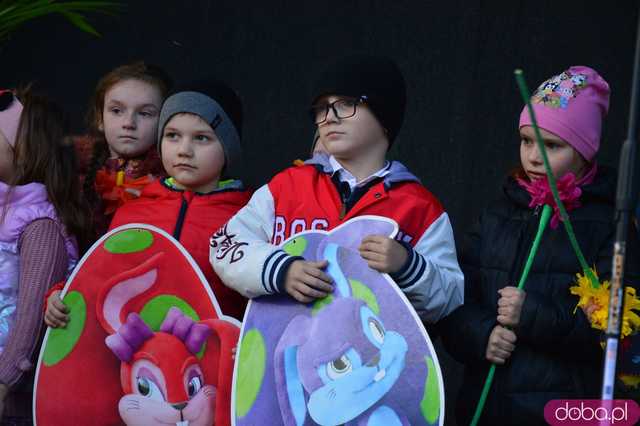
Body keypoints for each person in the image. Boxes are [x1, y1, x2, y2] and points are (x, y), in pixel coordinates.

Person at [438, 66, 640, 425]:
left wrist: (531, 314)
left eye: (552, 146)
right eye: (527, 140)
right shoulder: (499, 213)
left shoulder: (610, 224)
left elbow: (616, 335)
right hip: (484, 412)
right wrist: (482, 335)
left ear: (585, 149)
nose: (533, 157)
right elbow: (453, 301)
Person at [211, 55, 463, 324]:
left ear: (384, 115)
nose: (329, 117)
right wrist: (280, 270)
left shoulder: (419, 207)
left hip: (370, 362)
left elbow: (452, 297)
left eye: (346, 104)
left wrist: (408, 266)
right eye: (321, 108)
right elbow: (224, 244)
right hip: (282, 357)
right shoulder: (288, 185)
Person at [47, 81, 251, 323]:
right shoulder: (132, 213)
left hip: (212, 353)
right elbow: (100, 276)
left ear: (228, 148)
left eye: (202, 138)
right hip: (133, 352)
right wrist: (62, 293)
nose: (184, 150)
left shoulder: (249, 217)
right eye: (173, 135)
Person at [0, 87, 87, 422]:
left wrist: (5, 381)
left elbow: (31, 321)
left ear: (24, 152)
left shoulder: (40, 227)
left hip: (14, 404)